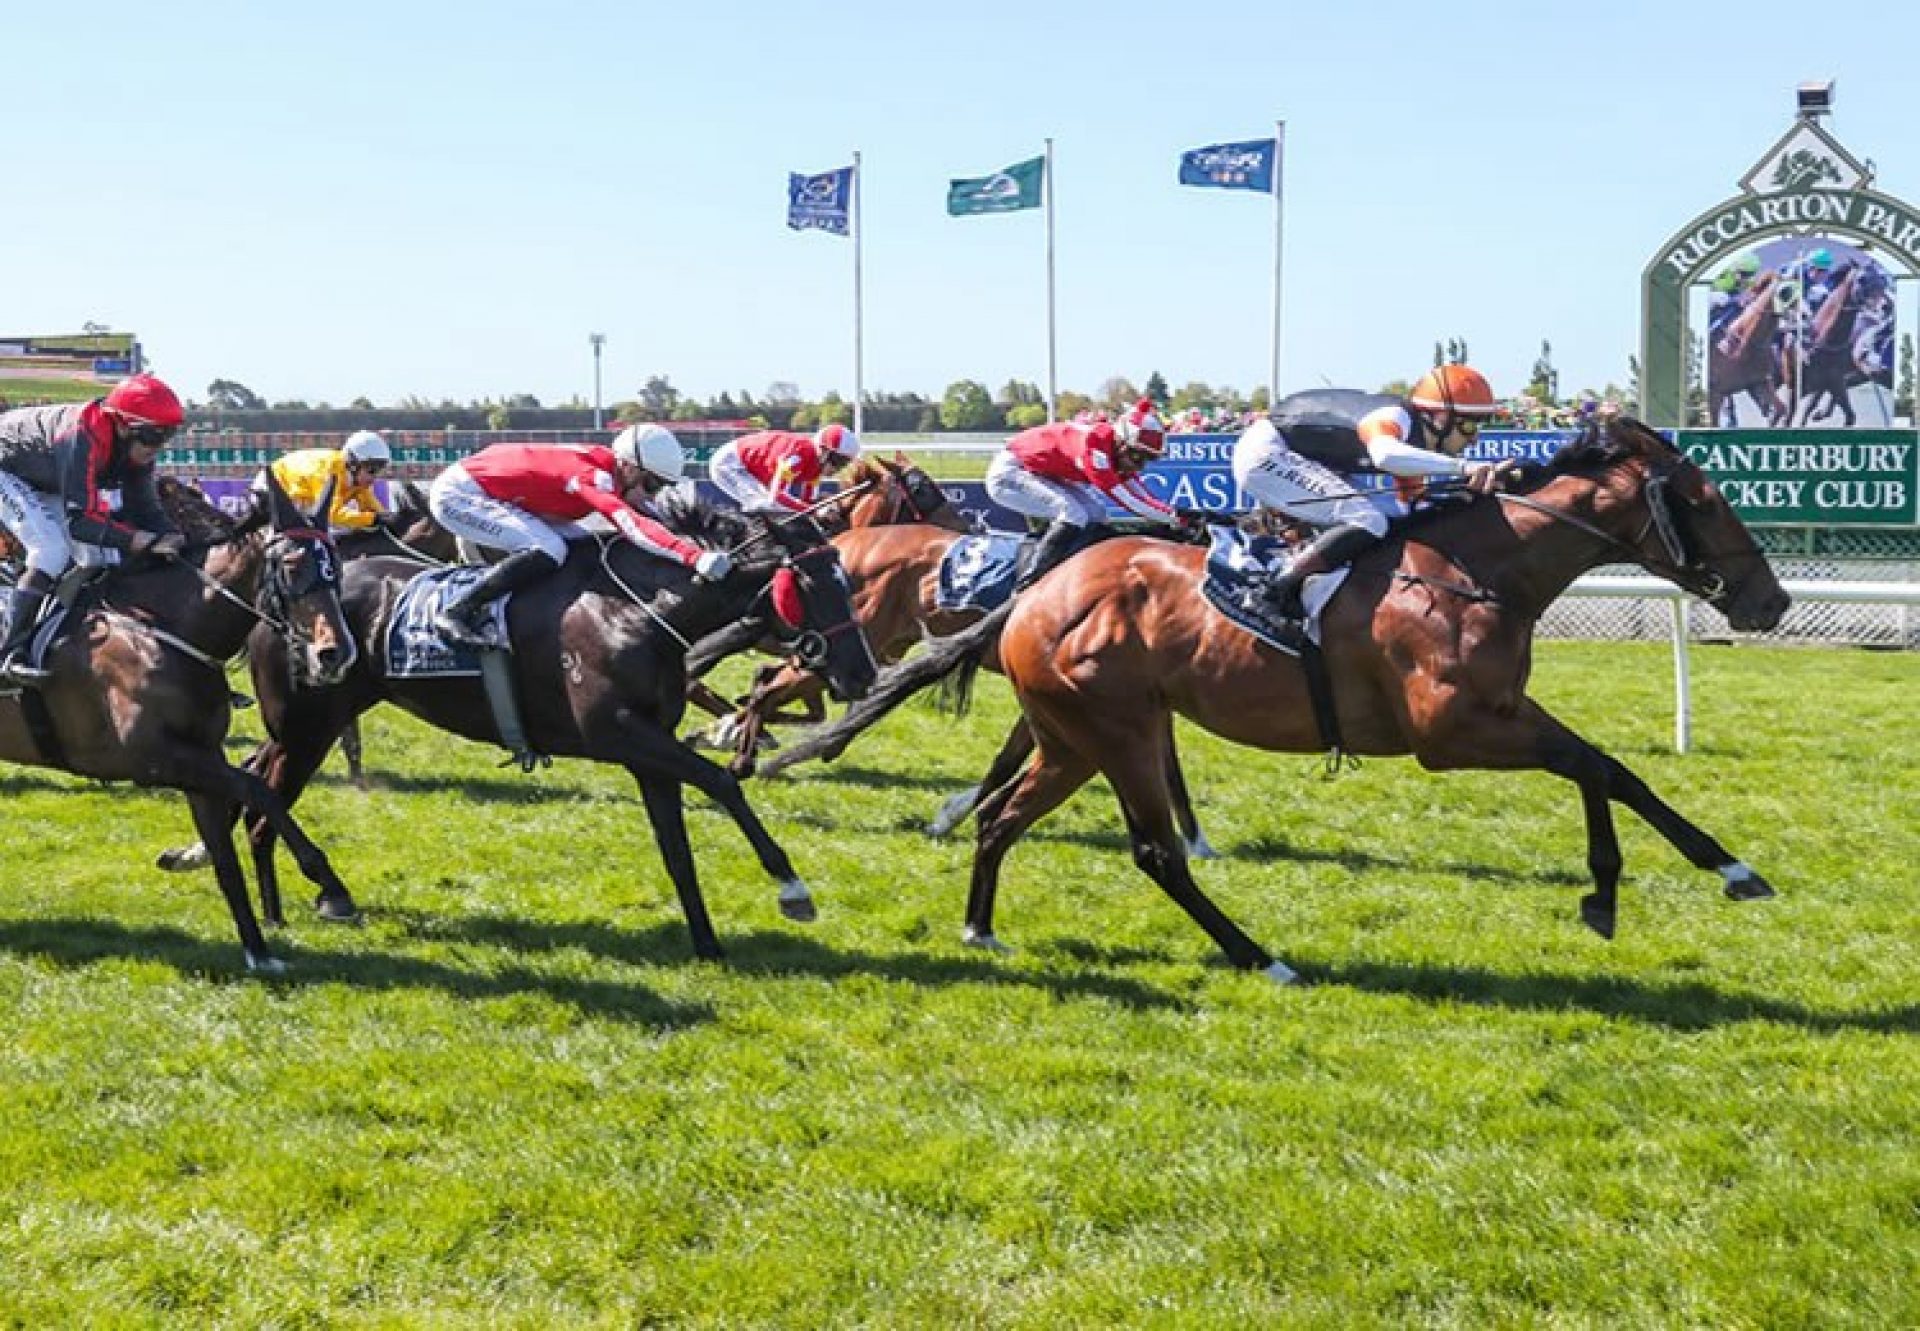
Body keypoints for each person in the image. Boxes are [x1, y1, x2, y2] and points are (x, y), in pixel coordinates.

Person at [1231, 364, 1515, 624]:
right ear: (1437, 417)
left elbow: (1408, 509)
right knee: (1367, 519)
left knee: (1386, 516)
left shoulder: (1415, 445)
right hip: (1266, 453)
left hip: (1300, 454)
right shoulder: (1394, 417)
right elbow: (1384, 455)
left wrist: (1463, 497)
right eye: (1469, 425)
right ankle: (1270, 590)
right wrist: (1463, 468)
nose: (1475, 437)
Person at [425, 423, 730, 646]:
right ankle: (457, 611)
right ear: (628, 467)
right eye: (652, 485)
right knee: (550, 549)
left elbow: (644, 520)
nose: (652, 496)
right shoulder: (591, 476)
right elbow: (632, 524)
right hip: (459, 494)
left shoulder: (611, 469)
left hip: (500, 493)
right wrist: (694, 557)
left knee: (591, 544)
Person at [0, 373, 188, 685]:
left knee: (100, 559)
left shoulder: (133, 444)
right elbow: (82, 522)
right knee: (50, 550)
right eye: (153, 436)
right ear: (124, 425)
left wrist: (172, 536)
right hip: (7, 468)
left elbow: (145, 508)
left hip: (41, 473)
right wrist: (138, 540)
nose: (157, 447)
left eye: (167, 435)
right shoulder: (81, 437)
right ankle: (9, 652)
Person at [984, 398, 1189, 591]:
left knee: (1097, 513)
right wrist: (1179, 517)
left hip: (1038, 471)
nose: (1139, 465)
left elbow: (1142, 494)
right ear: (1121, 443)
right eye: (1137, 457)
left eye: (1147, 460)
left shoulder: (1114, 447)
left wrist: (1180, 515)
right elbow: (1131, 502)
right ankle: (1030, 583)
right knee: (1073, 513)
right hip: (1009, 473)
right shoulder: (1095, 451)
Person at [251, 430, 393, 533]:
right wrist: (372, 519)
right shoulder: (329, 472)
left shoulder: (357, 479)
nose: (374, 477)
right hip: (272, 487)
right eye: (372, 470)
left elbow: (375, 511)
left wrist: (387, 518)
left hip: (300, 498)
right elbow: (332, 515)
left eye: (378, 471)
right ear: (353, 464)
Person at [707, 422, 860, 513]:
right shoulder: (796, 456)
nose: (838, 468)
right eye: (838, 461)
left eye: (844, 463)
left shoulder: (816, 466)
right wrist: (815, 512)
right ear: (824, 451)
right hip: (729, 463)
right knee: (764, 505)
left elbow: (808, 500)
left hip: (749, 468)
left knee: (770, 506)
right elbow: (778, 497)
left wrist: (824, 509)